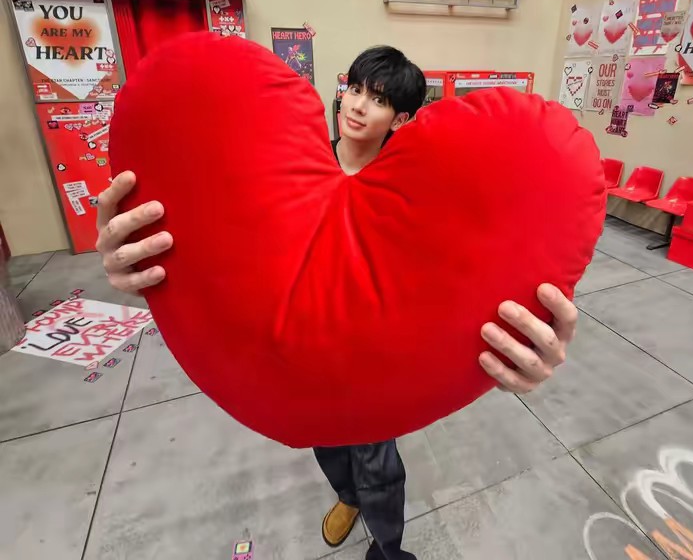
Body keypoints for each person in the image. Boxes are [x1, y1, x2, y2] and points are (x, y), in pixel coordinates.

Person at [96, 46, 578, 560]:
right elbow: (230, 238)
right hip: (299, 355)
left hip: (372, 360)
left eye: (379, 100)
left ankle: (388, 548)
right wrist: (160, 272)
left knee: (379, 462)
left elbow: (455, 264)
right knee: (325, 442)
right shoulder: (283, 164)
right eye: (355, 90)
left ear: (402, 119)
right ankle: (347, 497)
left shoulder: (415, 185)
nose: (359, 106)